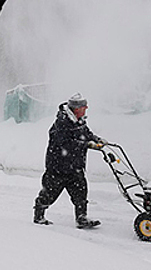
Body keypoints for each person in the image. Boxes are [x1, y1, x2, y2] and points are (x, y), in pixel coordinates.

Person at [33, 92, 107, 228]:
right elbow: (66, 143)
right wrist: (87, 145)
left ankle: (81, 218)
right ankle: (39, 215)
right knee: (49, 193)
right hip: (58, 167)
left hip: (75, 166)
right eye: (84, 106)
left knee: (81, 193)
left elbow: (85, 132)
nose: (87, 108)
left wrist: (96, 139)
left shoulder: (79, 120)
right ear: (77, 108)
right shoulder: (62, 122)